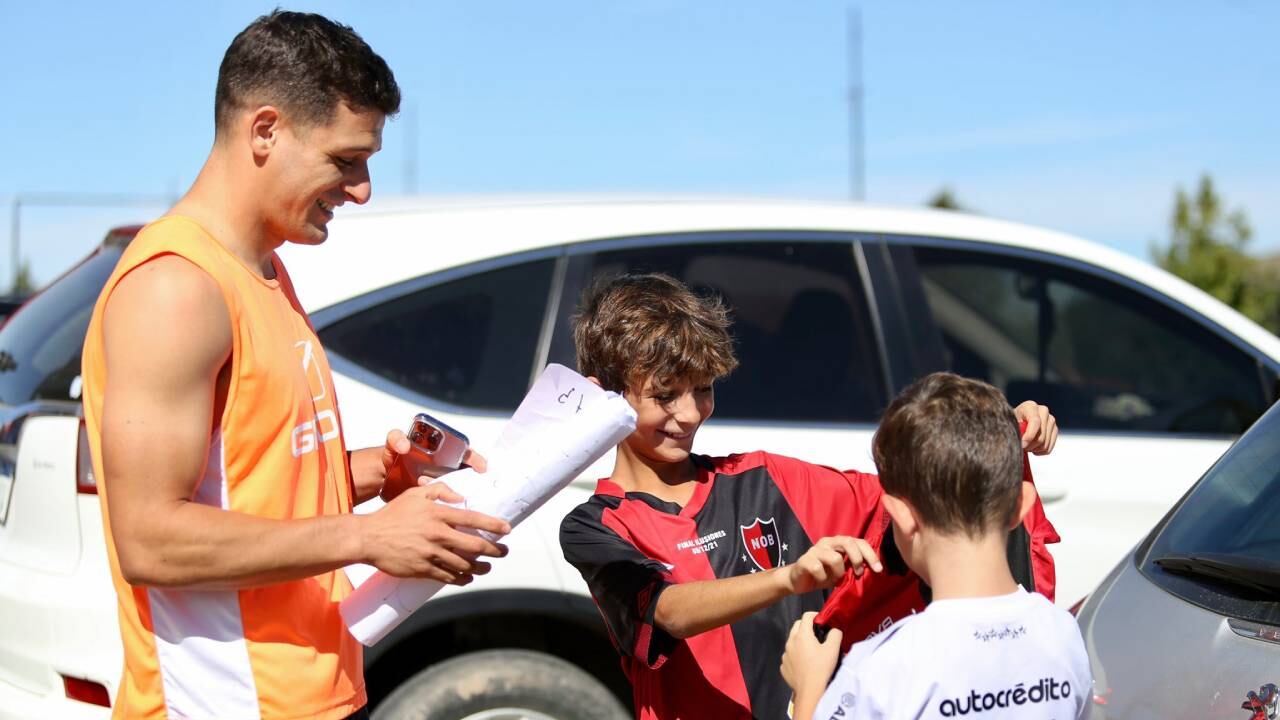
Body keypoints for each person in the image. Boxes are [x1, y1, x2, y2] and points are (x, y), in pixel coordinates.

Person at [80, 11, 510, 720]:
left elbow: (253, 485)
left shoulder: (265, 270)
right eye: (346, 160)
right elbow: (149, 538)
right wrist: (370, 537)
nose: (363, 188)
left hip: (313, 696)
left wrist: (382, 474)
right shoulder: (178, 288)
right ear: (265, 130)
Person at [558, 273, 1061, 720]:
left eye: (704, 389)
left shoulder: (768, 478)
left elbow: (928, 501)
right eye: (665, 395)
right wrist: (789, 578)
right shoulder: (597, 526)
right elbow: (664, 611)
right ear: (604, 395)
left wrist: (998, 430)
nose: (690, 414)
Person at [781, 372, 1091, 720]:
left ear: (899, 515)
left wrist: (808, 689)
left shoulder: (881, 667)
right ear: (1022, 505)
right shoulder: (1064, 636)